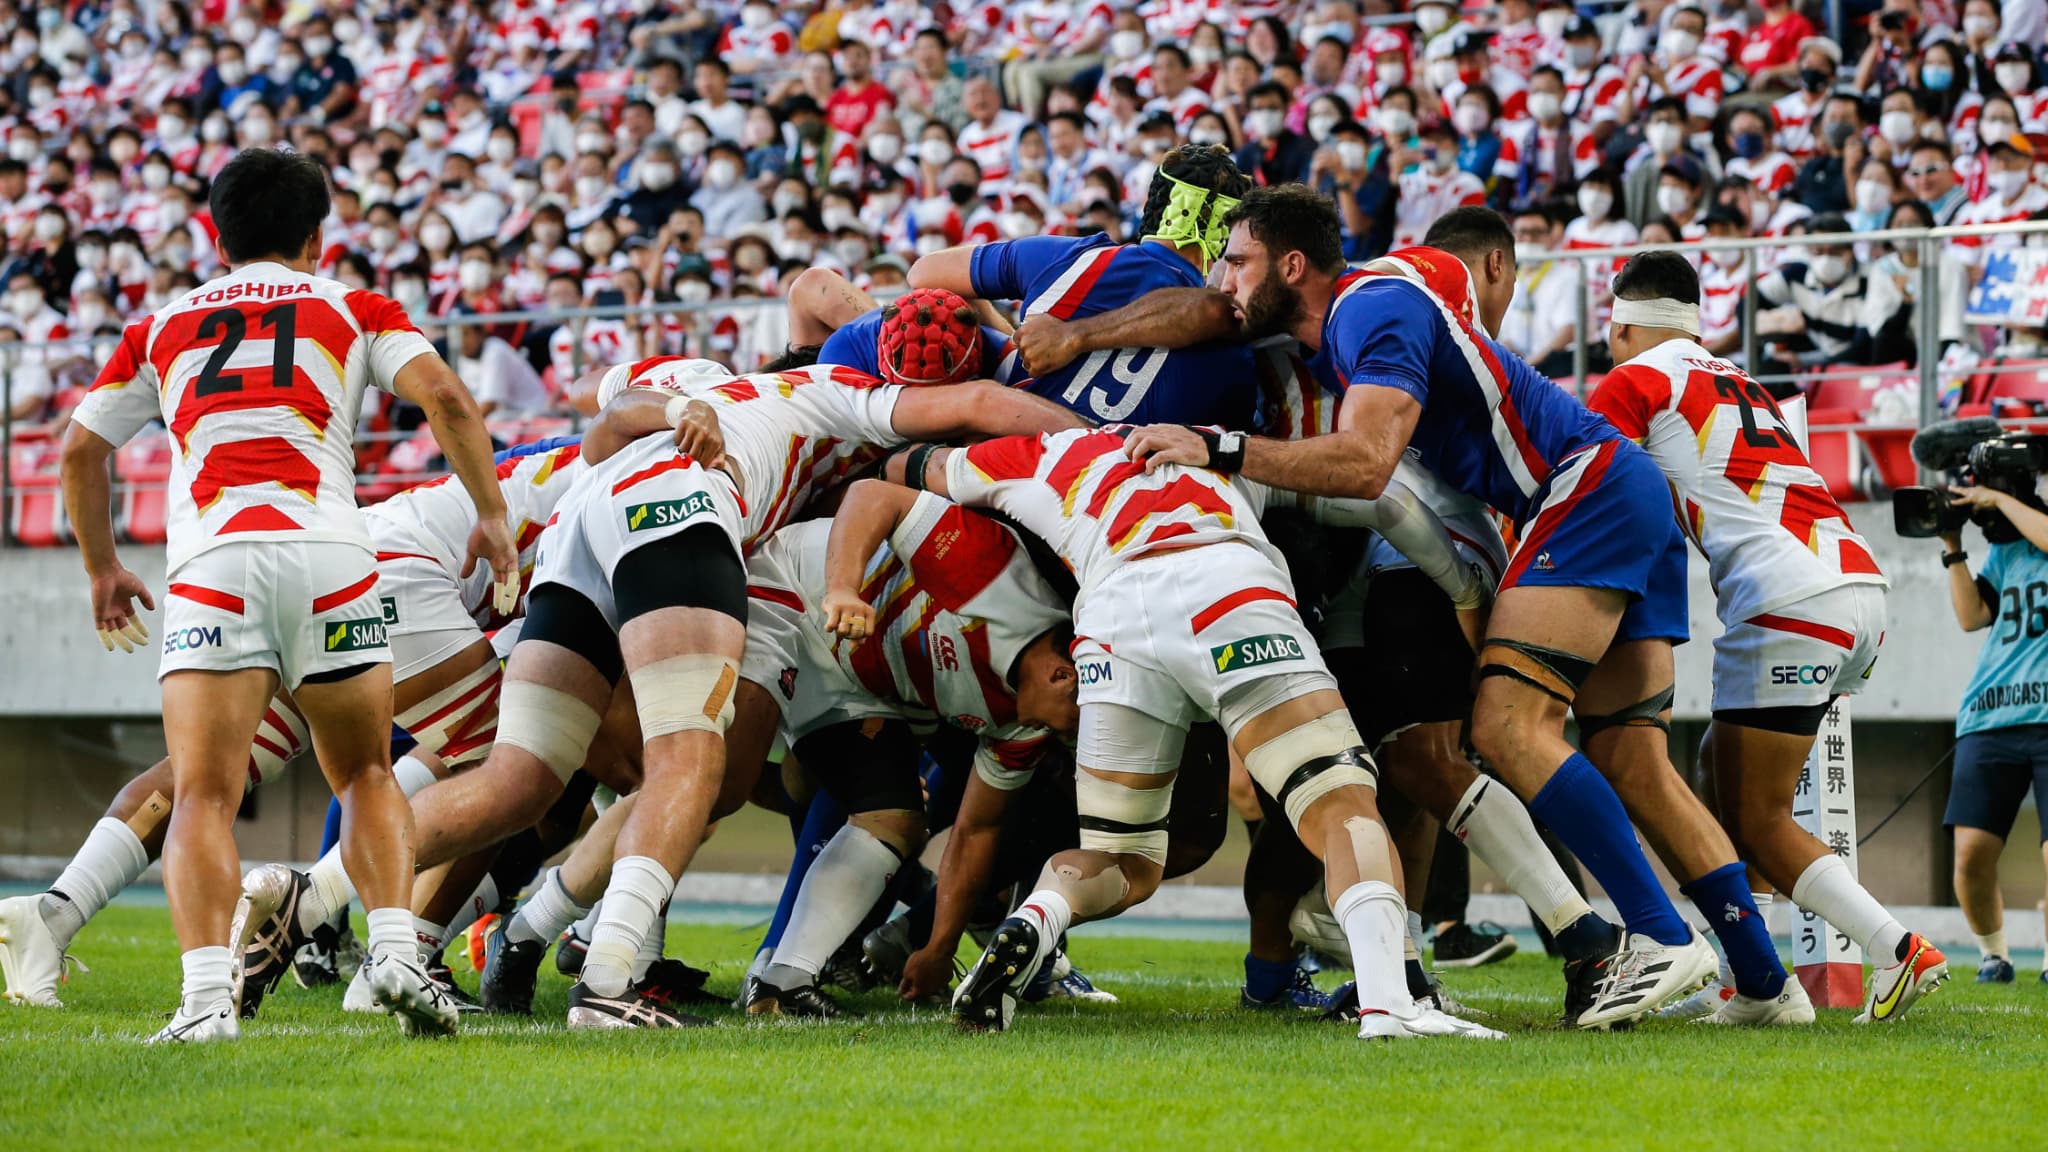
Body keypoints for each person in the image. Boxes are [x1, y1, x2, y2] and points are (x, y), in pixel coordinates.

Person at [1125, 194, 1789, 1029]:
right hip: (1602, 492)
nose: (1225, 279)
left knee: (1509, 730)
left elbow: (1367, 465)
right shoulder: (1389, 298)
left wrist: (1217, 447)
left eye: (1241, 261)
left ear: (1293, 267)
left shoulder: (1373, 302)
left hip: (1581, 489)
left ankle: (1653, 938)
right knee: (1633, 763)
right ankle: (1767, 983)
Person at [386, 356, 1088, 1029]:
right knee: (691, 770)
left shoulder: (700, 392)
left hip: (583, 527)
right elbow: (974, 404)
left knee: (522, 779)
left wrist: (673, 409)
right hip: (722, 544)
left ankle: (316, 896)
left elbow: (600, 428)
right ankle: (603, 978)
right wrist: (1100, 450)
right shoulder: (837, 397)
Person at [42, 147, 517, 1043]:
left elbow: (77, 451)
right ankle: (394, 957)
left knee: (204, 797)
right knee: (369, 771)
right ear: (315, 233)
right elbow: (448, 400)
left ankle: (206, 1005)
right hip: (332, 555)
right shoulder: (354, 305)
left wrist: (103, 569)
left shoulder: (159, 325)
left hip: (216, 564)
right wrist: (490, 516)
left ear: (216, 236)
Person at [829, 435, 1502, 1040]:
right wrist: (1467, 594)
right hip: (1228, 590)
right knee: (1340, 800)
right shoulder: (1223, 447)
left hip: (1113, 623)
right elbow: (1384, 501)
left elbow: (907, 468)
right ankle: (1391, 1004)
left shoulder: (1047, 452)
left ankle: (1035, 919)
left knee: (1124, 861)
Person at [1588, 251, 1947, 1023]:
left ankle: (1897, 951)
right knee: (1720, 766)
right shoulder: (1740, 379)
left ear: (1620, 324)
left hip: (1784, 599)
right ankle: (1754, 981)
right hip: (1856, 584)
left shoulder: (1633, 380)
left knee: (1758, 817)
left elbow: (1594, 483)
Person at [917, 143, 1258, 429]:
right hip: (1110, 496)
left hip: (995, 457)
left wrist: (1010, 344)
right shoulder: (1234, 340)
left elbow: (924, 274)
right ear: (1226, 233)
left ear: (1155, 204)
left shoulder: (1065, 255)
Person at [1940, 471, 2048, 986]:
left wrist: (1999, 498)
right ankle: (1994, 955)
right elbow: (1971, 616)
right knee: (1971, 855)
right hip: (1990, 715)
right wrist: (1951, 545)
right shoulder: (2005, 553)